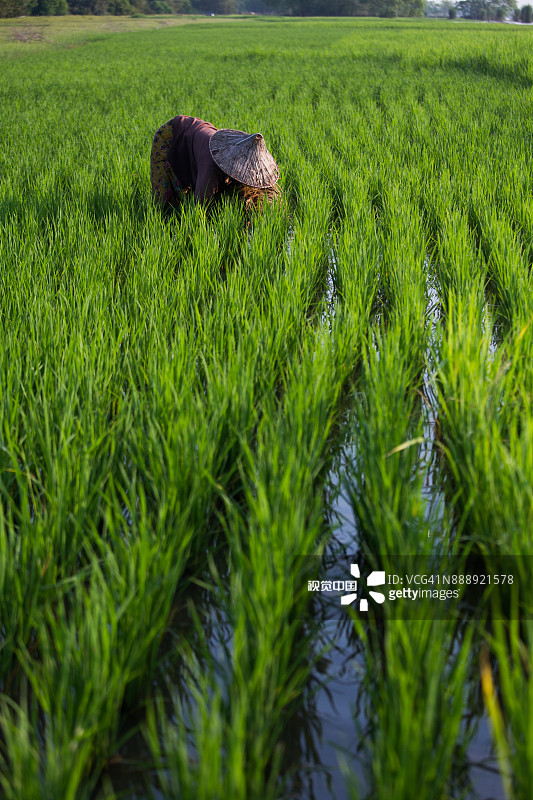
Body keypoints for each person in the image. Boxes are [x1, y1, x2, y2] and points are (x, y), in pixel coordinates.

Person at [150, 115, 280, 212]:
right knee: (167, 202)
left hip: (198, 136)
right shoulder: (211, 166)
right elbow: (199, 209)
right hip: (171, 136)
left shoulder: (240, 158)